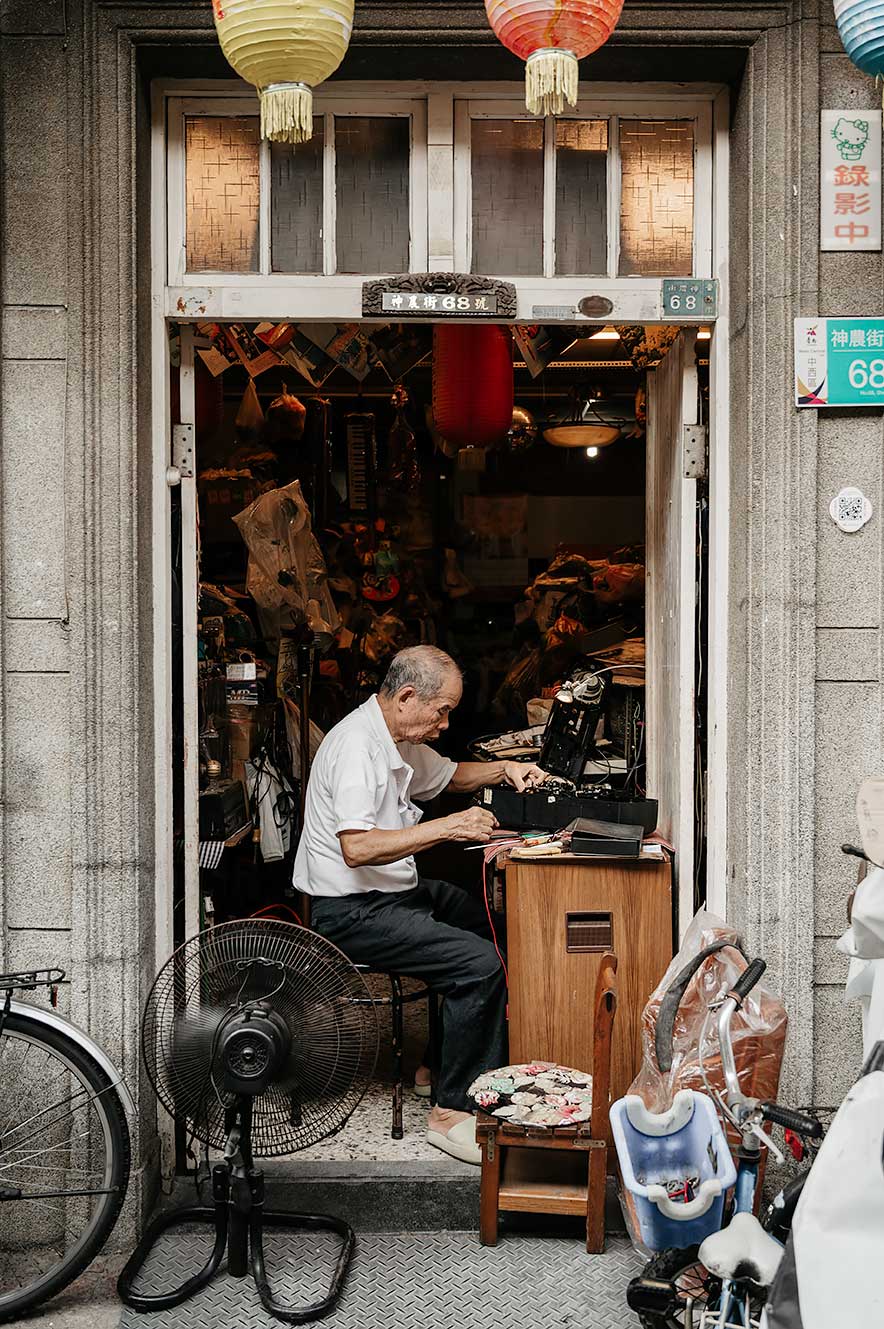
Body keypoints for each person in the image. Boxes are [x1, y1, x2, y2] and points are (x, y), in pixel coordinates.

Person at [293, 645, 548, 1164]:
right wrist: (450, 826)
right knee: (479, 965)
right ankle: (451, 1112)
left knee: (490, 922)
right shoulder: (356, 748)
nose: (445, 723)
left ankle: (436, 1067)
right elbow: (357, 847)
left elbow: (450, 775)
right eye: (442, 710)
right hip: (350, 912)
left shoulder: (395, 736)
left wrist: (505, 770)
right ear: (407, 697)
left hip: (392, 893)